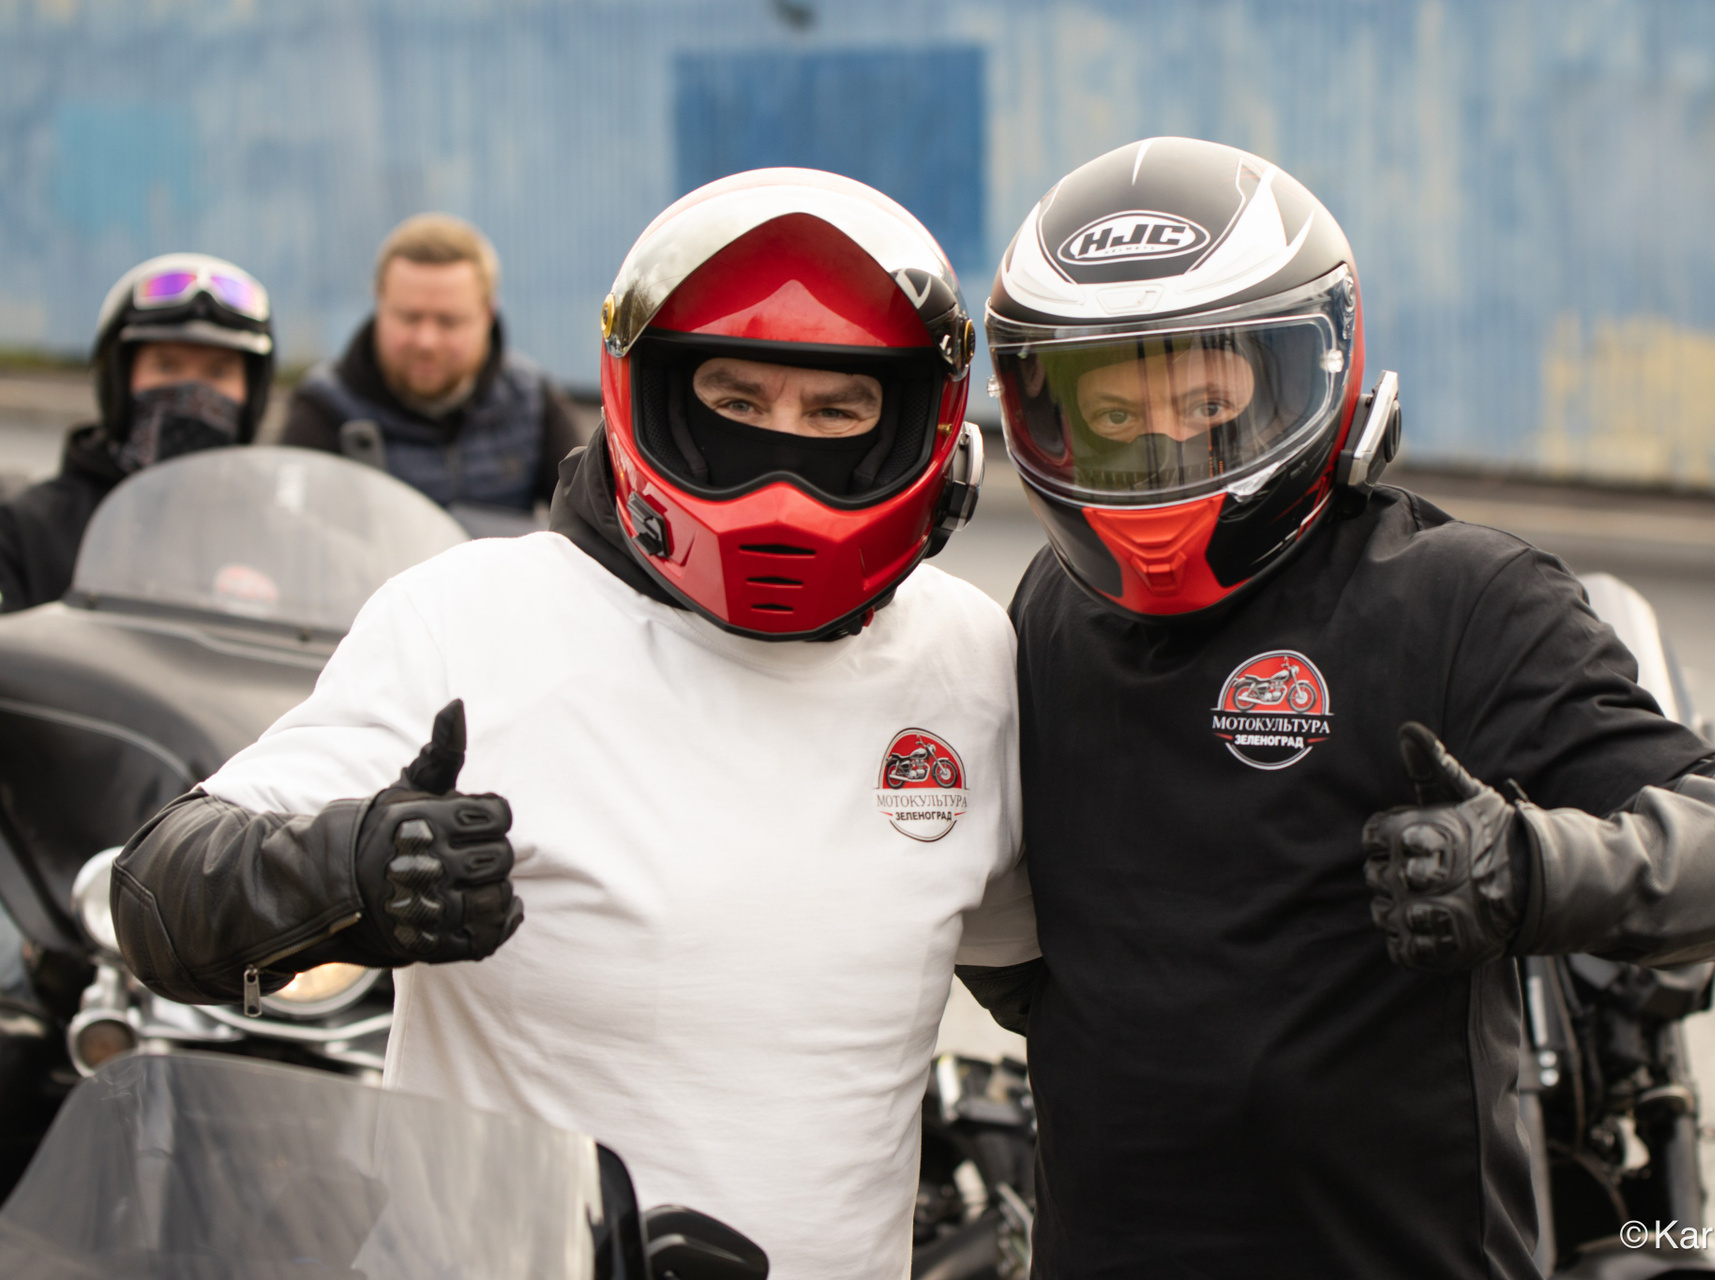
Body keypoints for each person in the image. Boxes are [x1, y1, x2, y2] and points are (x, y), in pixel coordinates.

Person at [110, 169, 1031, 1280]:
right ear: (652, 393)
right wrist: (349, 867)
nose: (786, 453)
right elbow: (158, 894)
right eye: (737, 401)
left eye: (839, 411)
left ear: (923, 424)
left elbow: (1075, 981)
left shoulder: (969, 658)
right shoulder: (470, 617)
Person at [962, 138, 1715, 1279]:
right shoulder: (1049, 611)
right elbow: (1017, 922)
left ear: (1312, 371)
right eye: (1115, 413)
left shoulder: (1454, 595)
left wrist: (1532, 869)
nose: (1166, 445)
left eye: (1209, 402)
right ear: (1043, 416)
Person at [0, 254, 274, 612]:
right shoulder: (30, 529)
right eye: (167, 366)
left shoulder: (282, 541)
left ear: (252, 394)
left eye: (218, 372)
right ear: (117, 382)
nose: (193, 394)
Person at [280, 213, 585, 521]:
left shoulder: (532, 402)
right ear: (379, 303)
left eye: (448, 321)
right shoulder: (325, 409)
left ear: (487, 315)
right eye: (409, 318)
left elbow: (589, 521)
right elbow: (287, 530)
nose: (426, 341)